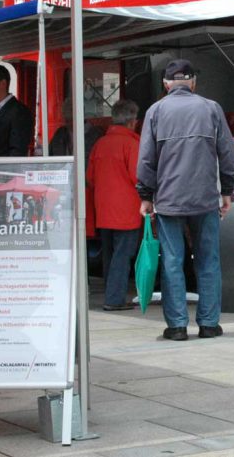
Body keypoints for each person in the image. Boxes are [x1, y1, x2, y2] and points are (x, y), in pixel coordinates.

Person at [136, 59, 234, 341]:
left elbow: (146, 159)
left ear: (166, 84)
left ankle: (177, 326)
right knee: (208, 260)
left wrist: (145, 195)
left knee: (172, 260)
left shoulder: (155, 111)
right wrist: (227, 190)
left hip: (168, 199)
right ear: (193, 83)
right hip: (205, 199)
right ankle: (208, 324)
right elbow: (228, 154)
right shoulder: (211, 108)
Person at [87, 99, 141, 311]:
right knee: (122, 255)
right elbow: (139, 177)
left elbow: (90, 177)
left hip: (103, 209)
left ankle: (112, 295)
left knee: (110, 255)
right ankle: (114, 299)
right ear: (131, 122)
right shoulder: (131, 144)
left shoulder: (100, 144)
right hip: (126, 210)